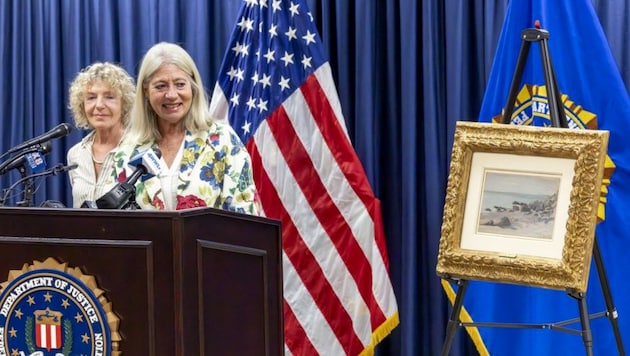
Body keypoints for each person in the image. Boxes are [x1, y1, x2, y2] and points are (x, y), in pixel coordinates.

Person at [116, 42, 260, 214]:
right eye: (161, 86)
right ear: (146, 91)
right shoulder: (126, 151)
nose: (171, 95)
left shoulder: (223, 141)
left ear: (192, 86)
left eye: (180, 84)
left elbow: (244, 217)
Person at [66, 62, 136, 208]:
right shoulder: (75, 154)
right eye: (91, 97)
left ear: (124, 104)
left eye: (109, 97)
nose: (99, 105)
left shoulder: (139, 149)